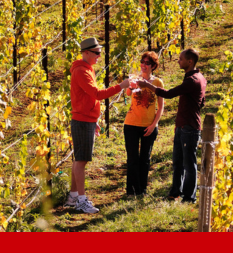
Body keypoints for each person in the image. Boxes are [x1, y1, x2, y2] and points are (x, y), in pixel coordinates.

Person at [65, 37, 130, 213]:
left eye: (100, 52)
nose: (99, 56)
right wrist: (121, 86)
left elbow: (88, 98)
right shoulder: (81, 72)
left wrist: (94, 119)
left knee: (79, 159)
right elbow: (97, 94)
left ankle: (73, 196)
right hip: (82, 120)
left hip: (86, 119)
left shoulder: (87, 69)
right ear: (86, 52)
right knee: (81, 161)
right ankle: (81, 200)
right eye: (96, 53)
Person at [137, 48, 206, 203]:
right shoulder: (199, 77)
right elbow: (202, 102)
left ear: (190, 62)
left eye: (180, 59)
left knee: (189, 164)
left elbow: (168, 94)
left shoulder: (193, 80)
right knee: (178, 162)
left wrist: (147, 85)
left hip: (189, 127)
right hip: (183, 126)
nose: (178, 61)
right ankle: (175, 192)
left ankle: (189, 197)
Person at [123, 52, 164, 196]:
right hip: (131, 124)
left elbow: (161, 107)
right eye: (142, 62)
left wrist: (153, 125)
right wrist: (132, 84)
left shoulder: (158, 83)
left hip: (149, 125)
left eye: (147, 63)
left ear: (153, 66)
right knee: (132, 158)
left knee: (145, 159)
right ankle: (131, 191)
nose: (144, 65)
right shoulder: (135, 79)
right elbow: (128, 93)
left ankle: (142, 190)